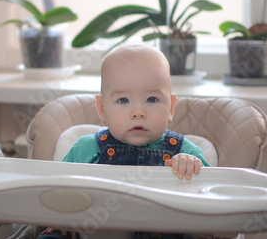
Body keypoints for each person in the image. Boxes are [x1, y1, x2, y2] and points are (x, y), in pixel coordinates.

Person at [38, 44, 209, 239]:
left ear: (171, 107)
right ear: (102, 109)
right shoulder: (85, 149)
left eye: (152, 99)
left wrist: (192, 170)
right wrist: (61, 218)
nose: (138, 112)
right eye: (123, 100)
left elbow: (211, 202)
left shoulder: (185, 153)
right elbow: (55, 192)